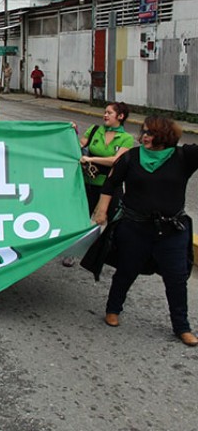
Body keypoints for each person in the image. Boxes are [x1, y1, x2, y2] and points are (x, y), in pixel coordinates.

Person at [94, 116, 198, 347]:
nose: (145, 137)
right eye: (144, 132)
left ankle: (182, 327)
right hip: (134, 228)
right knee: (126, 272)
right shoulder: (130, 157)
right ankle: (113, 309)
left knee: (177, 278)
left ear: (166, 136)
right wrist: (101, 212)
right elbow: (111, 184)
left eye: (151, 133)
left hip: (172, 230)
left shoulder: (183, 157)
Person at [62, 103, 134, 267]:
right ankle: (73, 252)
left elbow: (117, 160)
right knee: (81, 217)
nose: (105, 115)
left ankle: (108, 253)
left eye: (109, 113)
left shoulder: (126, 139)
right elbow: (78, 146)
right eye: (104, 112)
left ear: (120, 116)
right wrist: (71, 132)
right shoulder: (95, 130)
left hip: (110, 185)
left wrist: (92, 159)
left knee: (113, 220)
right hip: (88, 182)